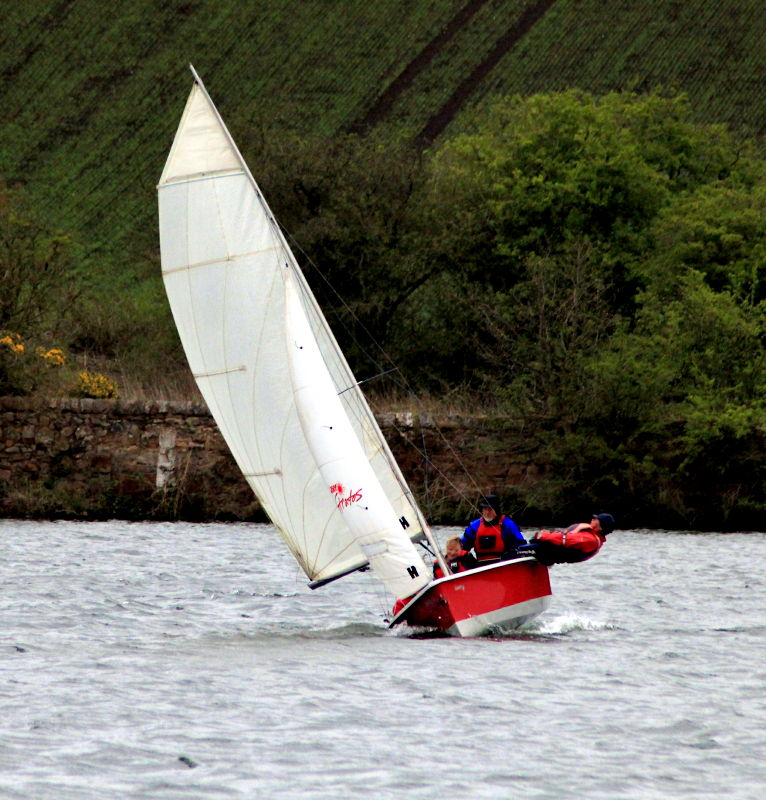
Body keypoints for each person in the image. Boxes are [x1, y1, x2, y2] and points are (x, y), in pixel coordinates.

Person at [520, 513, 615, 566]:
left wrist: (541, 535)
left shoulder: (590, 540)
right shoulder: (591, 536)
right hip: (545, 553)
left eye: (597, 519)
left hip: (544, 552)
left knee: (516, 550)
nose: (593, 519)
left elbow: (563, 540)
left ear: (601, 528)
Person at [461, 494, 526, 563]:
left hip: (504, 564)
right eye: (485, 509)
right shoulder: (474, 526)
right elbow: (463, 546)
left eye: (490, 509)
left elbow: (521, 544)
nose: (487, 513)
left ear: (497, 510)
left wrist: (513, 554)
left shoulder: (508, 524)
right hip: (480, 566)